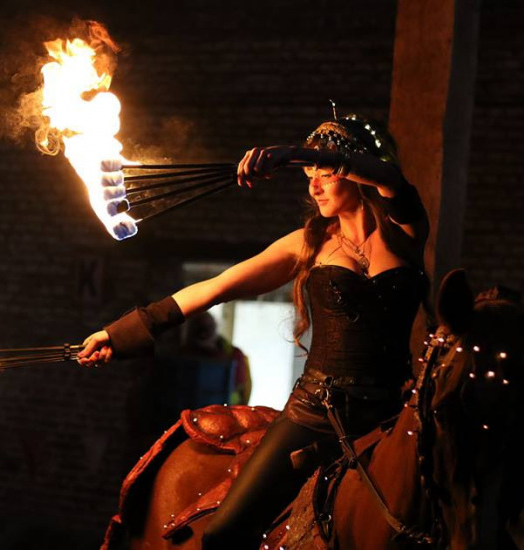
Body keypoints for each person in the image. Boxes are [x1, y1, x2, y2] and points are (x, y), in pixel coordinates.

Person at [78, 114, 429, 549]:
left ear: (353, 172)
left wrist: (290, 154)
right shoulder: (309, 243)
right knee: (224, 533)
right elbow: (214, 288)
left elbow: (388, 176)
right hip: (317, 412)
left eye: (322, 173)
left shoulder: (405, 231)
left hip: (394, 416)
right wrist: (121, 334)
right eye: (306, 176)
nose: (312, 185)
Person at [179, 311, 251, 406]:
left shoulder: (234, 354)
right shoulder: (179, 355)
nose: (203, 333)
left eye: (208, 328)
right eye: (199, 328)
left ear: (215, 328)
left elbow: (241, 385)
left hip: (225, 413)